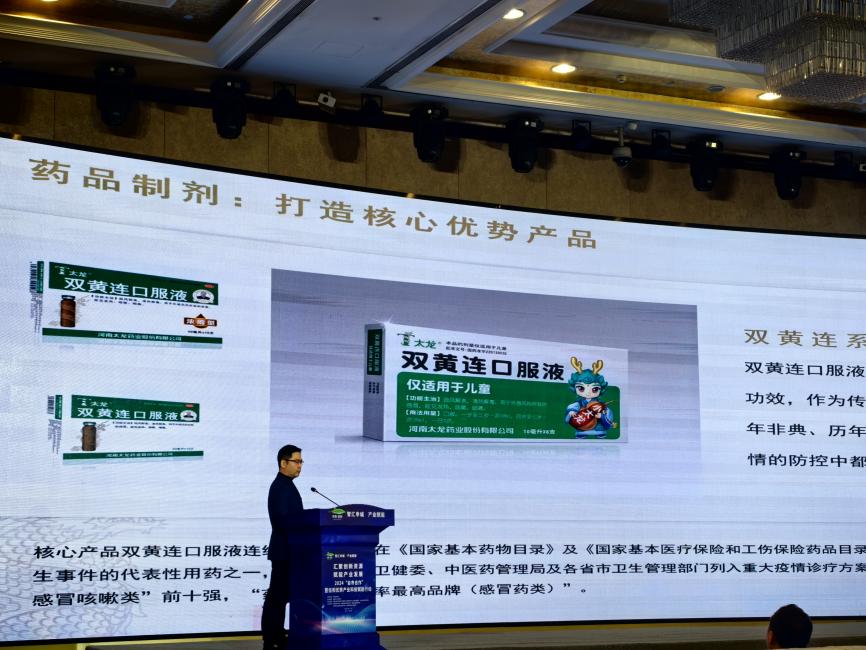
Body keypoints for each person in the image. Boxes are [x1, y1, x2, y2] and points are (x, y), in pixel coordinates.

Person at [261, 444, 304, 650]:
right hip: (284, 551)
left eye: (301, 462)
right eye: (296, 461)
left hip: (290, 550)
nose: (300, 465)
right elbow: (281, 520)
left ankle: (276, 635)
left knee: (280, 596)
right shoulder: (280, 486)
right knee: (277, 597)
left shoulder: (287, 485)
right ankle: (273, 638)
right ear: (283, 463)